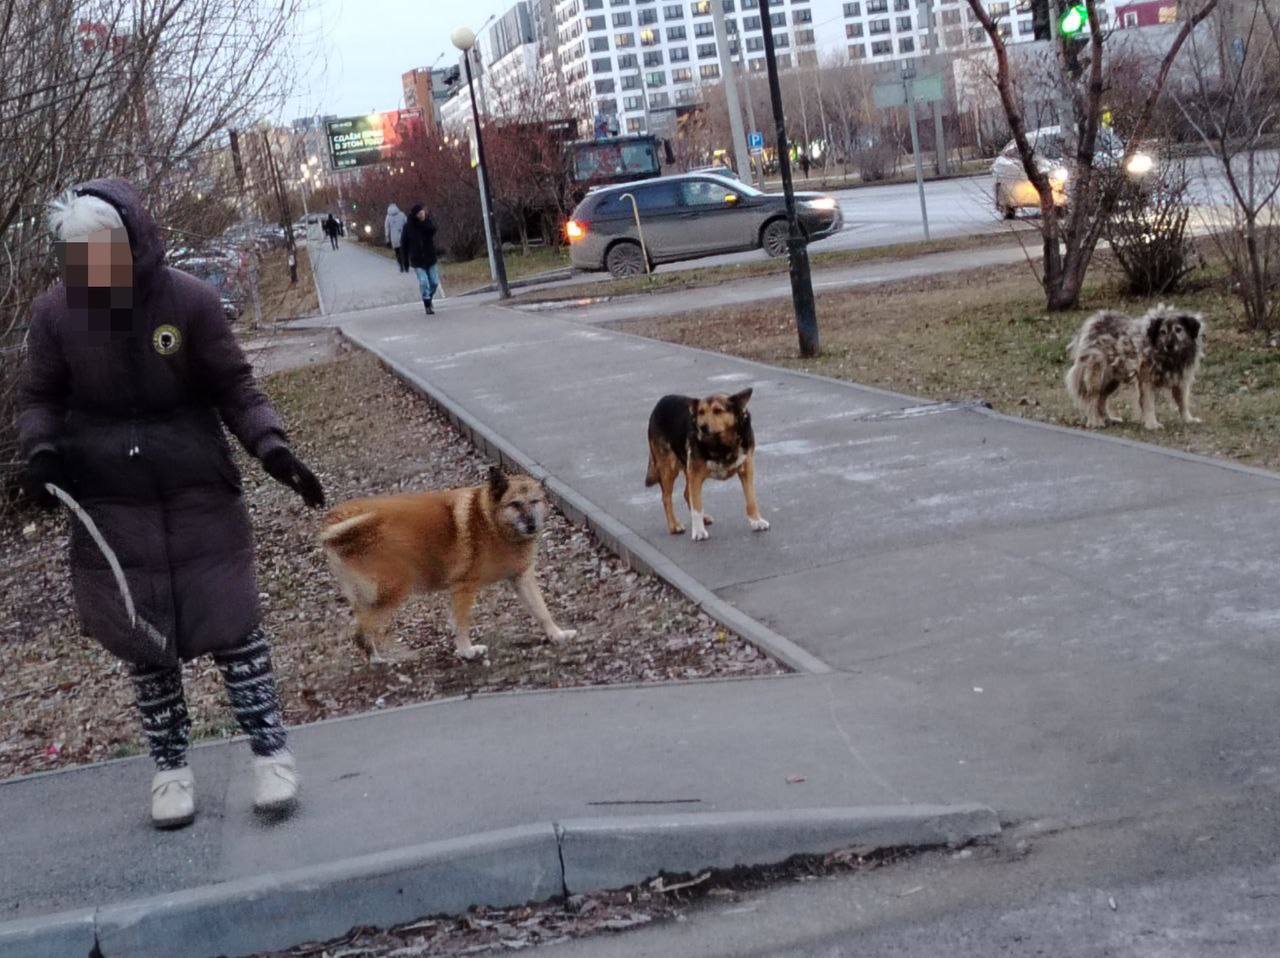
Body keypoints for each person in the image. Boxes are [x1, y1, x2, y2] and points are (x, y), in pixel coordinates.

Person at [16, 179, 326, 829]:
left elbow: (235, 388)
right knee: (145, 643)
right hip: (111, 504)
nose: (91, 267)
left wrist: (272, 449)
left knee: (235, 630)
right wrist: (41, 453)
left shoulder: (188, 301)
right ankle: (170, 773)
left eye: (101, 251)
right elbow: (40, 397)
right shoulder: (55, 315)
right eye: (79, 255)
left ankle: (271, 758)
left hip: (197, 491)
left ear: (131, 242)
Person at [401, 203, 439, 315]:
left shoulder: (427, 222)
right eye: (419, 213)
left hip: (430, 257)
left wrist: (425, 221)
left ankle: (429, 298)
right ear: (415, 215)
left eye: (423, 212)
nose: (422, 214)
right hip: (417, 260)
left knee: (434, 282)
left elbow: (433, 230)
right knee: (423, 282)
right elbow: (404, 243)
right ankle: (427, 304)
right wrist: (405, 260)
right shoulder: (408, 227)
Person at [384, 203, 408, 273]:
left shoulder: (388, 217)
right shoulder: (402, 214)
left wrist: (387, 239)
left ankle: (401, 266)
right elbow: (406, 224)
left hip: (393, 237)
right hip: (402, 236)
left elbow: (387, 228)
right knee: (404, 252)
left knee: (397, 253)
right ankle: (406, 266)